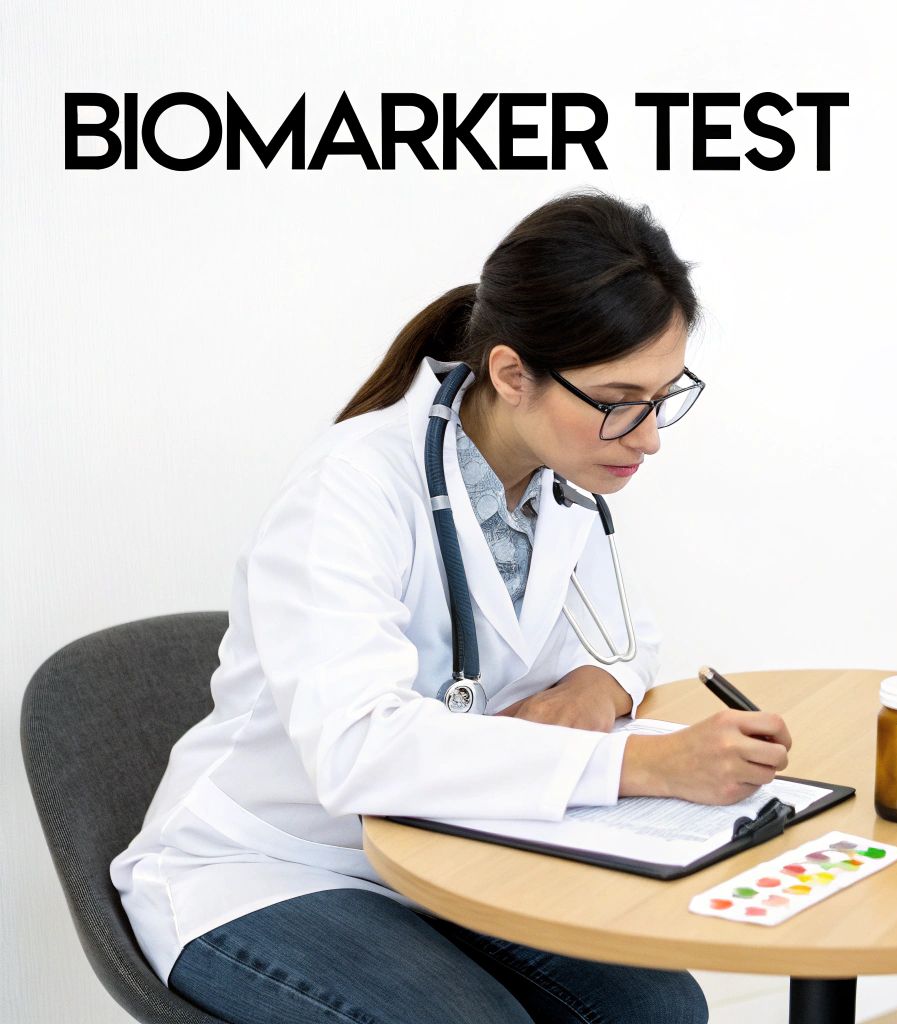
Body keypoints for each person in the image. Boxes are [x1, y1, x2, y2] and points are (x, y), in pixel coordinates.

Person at [111, 189, 794, 1024]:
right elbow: (359, 748)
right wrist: (640, 764)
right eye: (620, 401)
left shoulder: (561, 493)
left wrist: (597, 685)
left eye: (663, 396)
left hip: (453, 848)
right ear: (511, 374)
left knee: (661, 1008)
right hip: (274, 863)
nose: (649, 436)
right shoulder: (353, 488)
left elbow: (628, 640)